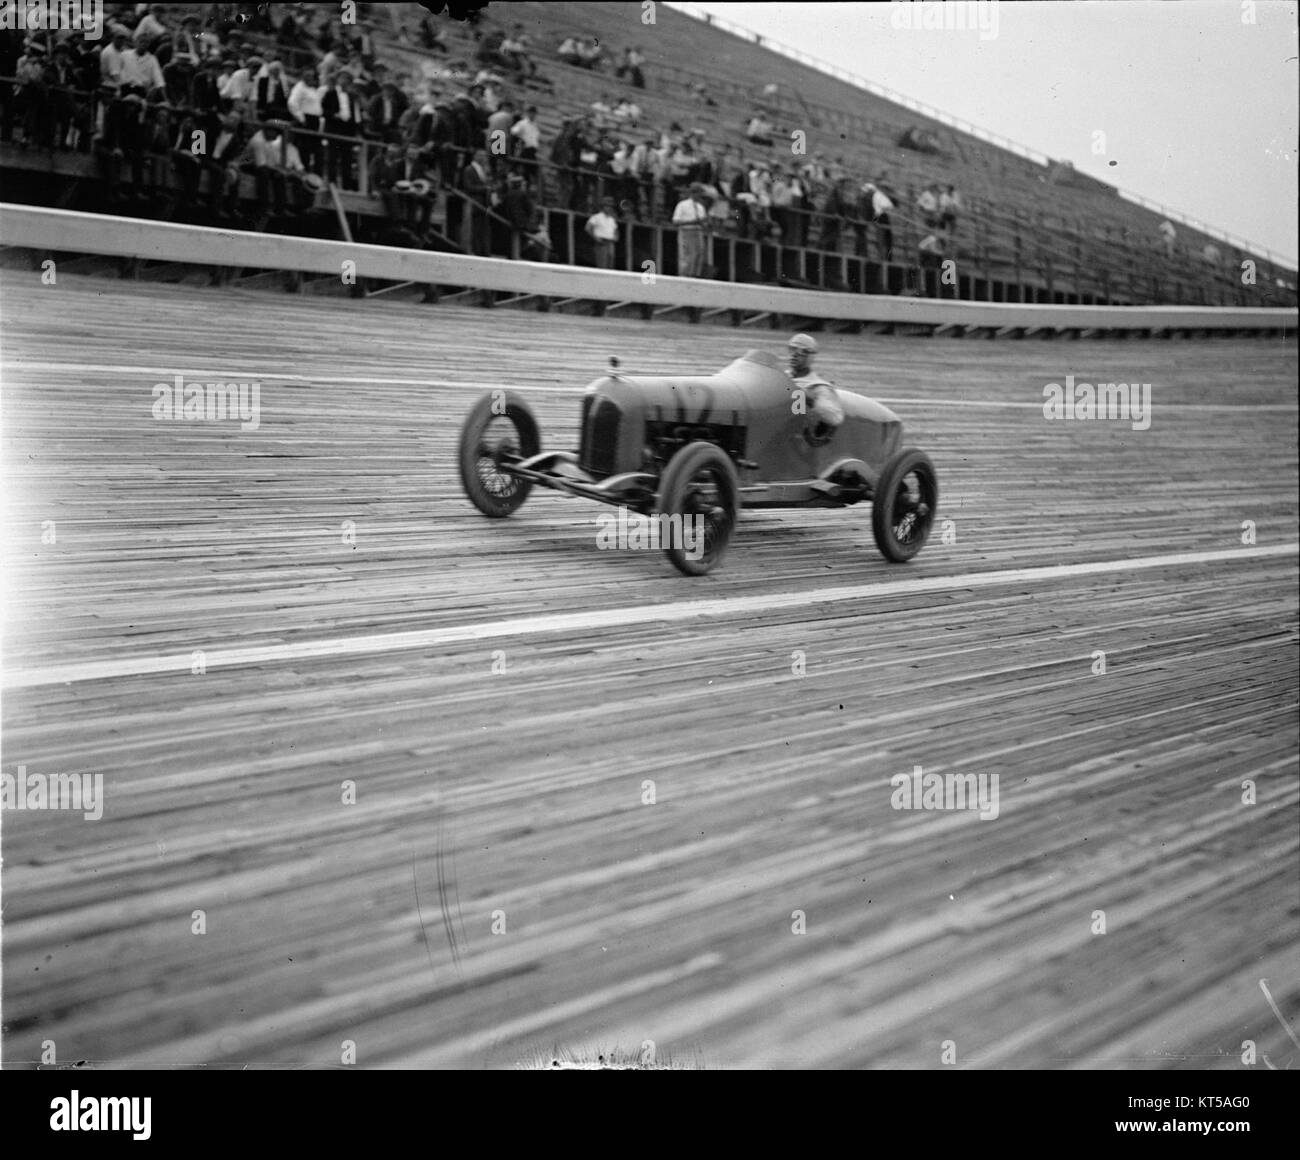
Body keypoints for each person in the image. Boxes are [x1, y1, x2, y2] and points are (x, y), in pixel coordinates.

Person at [785, 334, 843, 440]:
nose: (795, 355)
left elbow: (834, 418)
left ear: (810, 357)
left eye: (803, 352)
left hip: (796, 435)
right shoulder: (780, 376)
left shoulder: (818, 387)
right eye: (792, 349)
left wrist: (811, 400)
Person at [672, 181, 710, 277]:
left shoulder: (700, 207)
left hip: (698, 231)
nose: (700, 195)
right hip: (686, 230)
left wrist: (705, 223)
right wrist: (693, 221)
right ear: (692, 193)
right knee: (687, 254)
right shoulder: (682, 205)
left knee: (699, 253)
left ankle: (695, 274)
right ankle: (684, 274)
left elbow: (703, 221)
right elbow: (676, 221)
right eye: (698, 192)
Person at [586, 195, 619, 268]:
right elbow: (588, 228)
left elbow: (616, 230)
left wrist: (616, 237)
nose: (609, 208)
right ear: (603, 207)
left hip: (610, 243)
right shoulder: (596, 217)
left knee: (610, 263)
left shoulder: (611, 219)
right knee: (602, 264)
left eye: (610, 207)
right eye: (607, 206)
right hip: (601, 242)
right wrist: (596, 238)